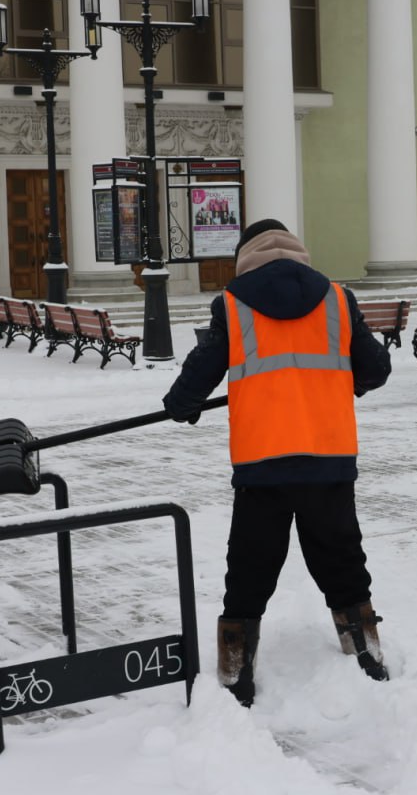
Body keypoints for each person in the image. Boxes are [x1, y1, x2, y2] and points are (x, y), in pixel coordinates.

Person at [162, 218, 392, 707]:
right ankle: (366, 653)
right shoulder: (336, 299)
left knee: (249, 566)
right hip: (328, 461)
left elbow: (199, 375)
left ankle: (234, 674)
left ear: (246, 256)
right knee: (342, 558)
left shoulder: (232, 304)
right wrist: (350, 380)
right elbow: (375, 368)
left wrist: (181, 404)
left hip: (261, 465)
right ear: (297, 252)